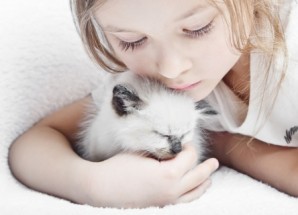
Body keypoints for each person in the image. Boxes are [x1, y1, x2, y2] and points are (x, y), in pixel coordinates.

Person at [8, 0, 298, 209]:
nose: (171, 69)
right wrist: (93, 184)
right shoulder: (148, 86)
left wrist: (228, 147)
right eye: (132, 41)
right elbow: (35, 142)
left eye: (197, 28)